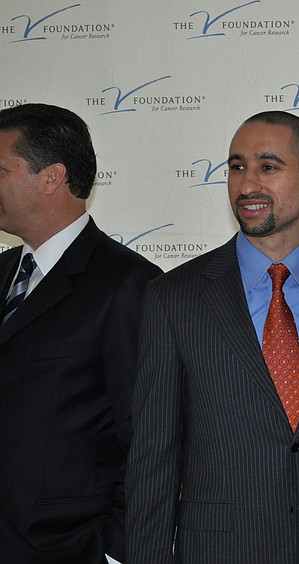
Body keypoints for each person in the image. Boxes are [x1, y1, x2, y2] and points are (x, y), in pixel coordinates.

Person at [125, 111, 299, 563]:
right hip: (220, 549)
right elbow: (153, 456)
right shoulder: (174, 298)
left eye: (268, 166)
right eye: (237, 167)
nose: (247, 185)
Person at [0, 103, 162, 563]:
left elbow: (149, 437)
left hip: (68, 548)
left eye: (0, 170)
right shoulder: (4, 272)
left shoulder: (129, 283)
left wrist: (116, 551)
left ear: (52, 177)